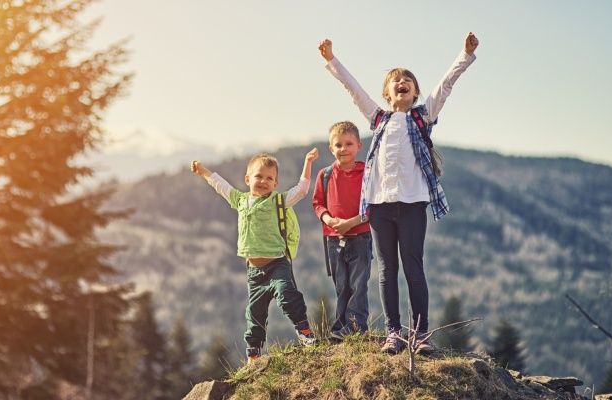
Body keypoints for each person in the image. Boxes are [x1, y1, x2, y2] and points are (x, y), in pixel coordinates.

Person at [318, 32, 479, 354]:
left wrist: (465, 54)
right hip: (379, 207)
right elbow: (353, 89)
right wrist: (332, 60)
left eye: (408, 79)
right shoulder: (377, 118)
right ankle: (393, 332)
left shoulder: (422, 116)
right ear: (386, 94)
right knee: (387, 269)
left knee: (413, 267)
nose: (401, 82)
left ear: (415, 91)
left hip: (412, 204)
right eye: (395, 80)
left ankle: (420, 335)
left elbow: (445, 85)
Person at [191, 148, 319, 363]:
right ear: (247, 179)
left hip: (278, 264)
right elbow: (221, 186)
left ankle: (305, 332)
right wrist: (203, 171)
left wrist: (307, 162)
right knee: (255, 313)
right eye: (259, 176)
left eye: (270, 178)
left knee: (287, 295)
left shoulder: (278, 201)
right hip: (254, 272)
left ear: (276, 184)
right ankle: (254, 353)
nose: (263, 181)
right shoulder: (240, 200)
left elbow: (302, 190)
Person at [312, 121, 372, 339]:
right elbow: (318, 203)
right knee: (341, 285)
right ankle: (340, 328)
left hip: (360, 237)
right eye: (338, 145)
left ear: (358, 146)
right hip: (334, 240)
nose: (343, 149)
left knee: (358, 284)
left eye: (348, 144)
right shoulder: (325, 175)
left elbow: (374, 205)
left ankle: (356, 326)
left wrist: (352, 222)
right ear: (331, 148)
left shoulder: (367, 173)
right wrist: (328, 219)